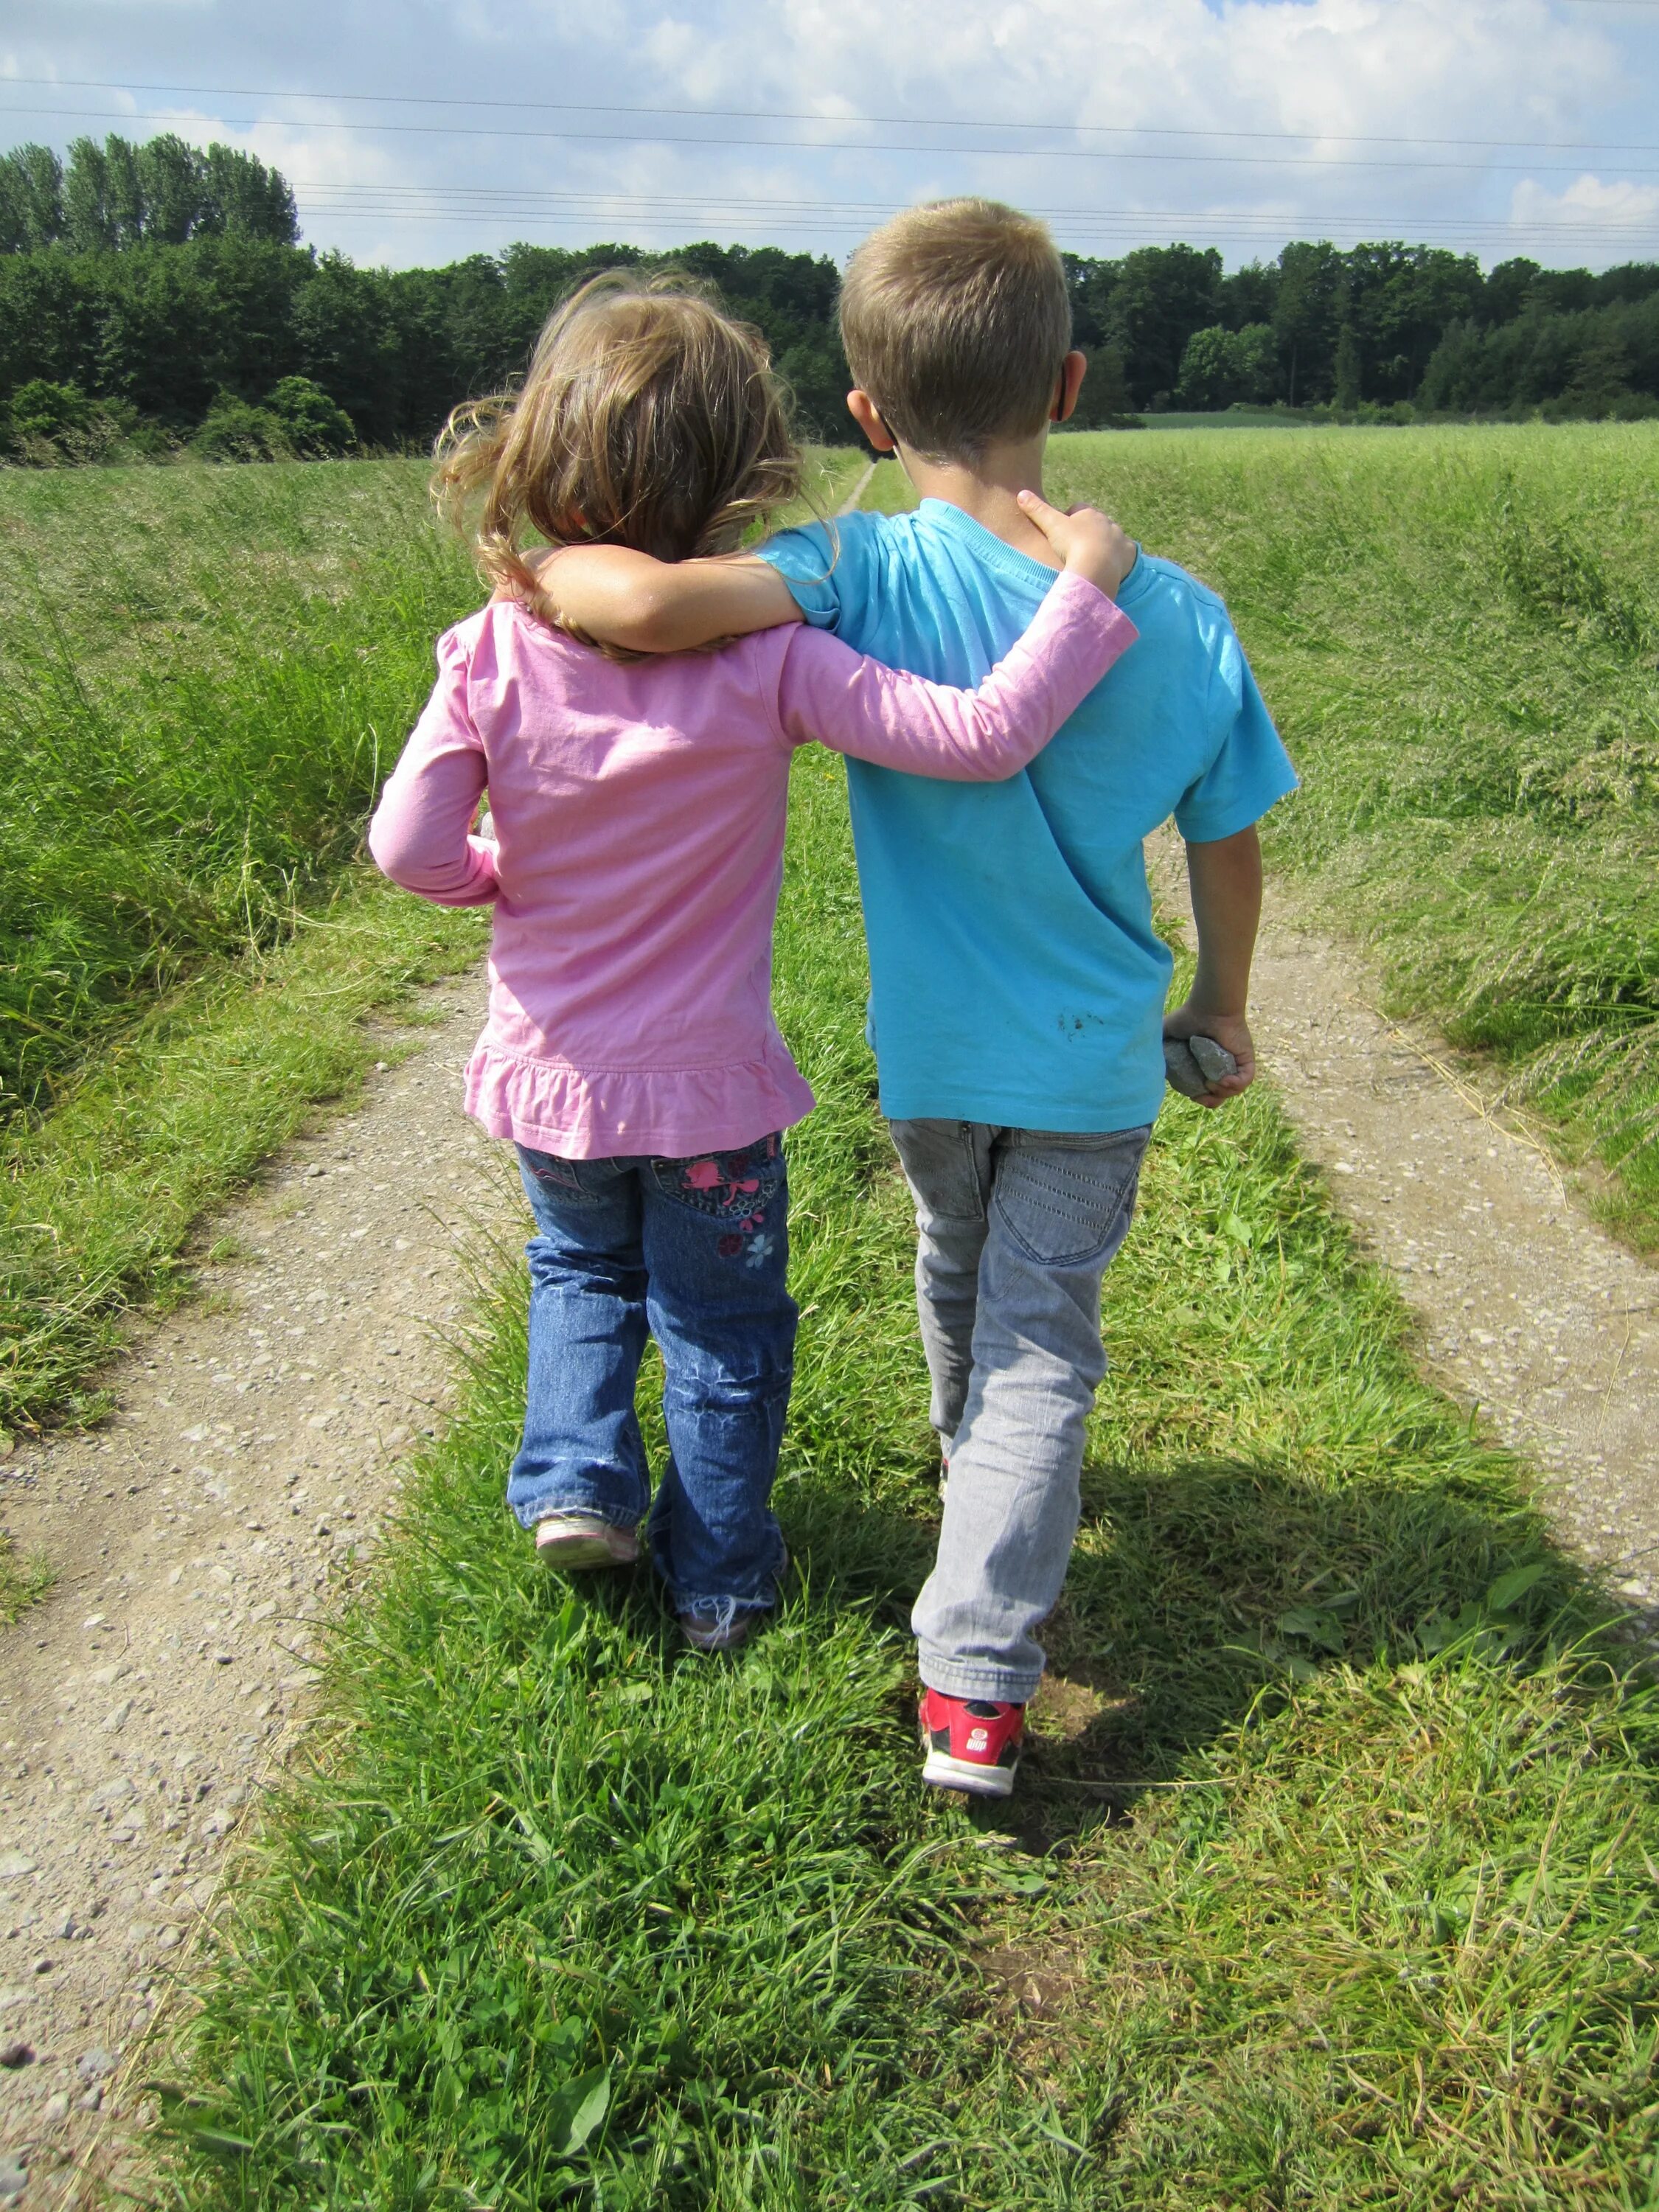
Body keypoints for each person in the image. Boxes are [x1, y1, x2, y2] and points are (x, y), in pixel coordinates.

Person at [531, 206, 1298, 1787]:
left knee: (960, 1277)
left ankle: (980, 1530)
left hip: (932, 1060)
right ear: (1069, 386)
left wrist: (538, 568)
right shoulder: (1181, 611)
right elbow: (1228, 850)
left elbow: (651, 610)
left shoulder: (849, 569)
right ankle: (978, 1672)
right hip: (1090, 1068)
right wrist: (1221, 1008)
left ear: (868, 418)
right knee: (1041, 1345)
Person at [368, 270, 1140, 1655]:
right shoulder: (774, 655)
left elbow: (407, 845)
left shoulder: (493, 645)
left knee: (578, 1271)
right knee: (724, 1327)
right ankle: (721, 1581)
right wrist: (1080, 594)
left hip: (554, 1080)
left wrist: (490, 879)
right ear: (742, 475)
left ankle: (572, 1480)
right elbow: (978, 737)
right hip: (710, 1100)